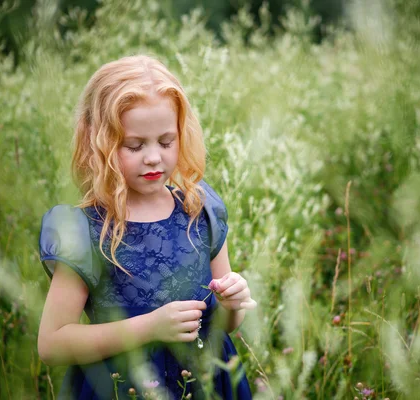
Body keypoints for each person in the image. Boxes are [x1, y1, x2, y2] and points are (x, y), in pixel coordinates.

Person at [37, 55, 257, 400]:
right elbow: (52, 344)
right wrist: (150, 328)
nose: (153, 157)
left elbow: (224, 327)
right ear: (100, 145)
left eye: (166, 142)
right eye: (135, 145)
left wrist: (233, 304)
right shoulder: (84, 230)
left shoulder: (200, 209)